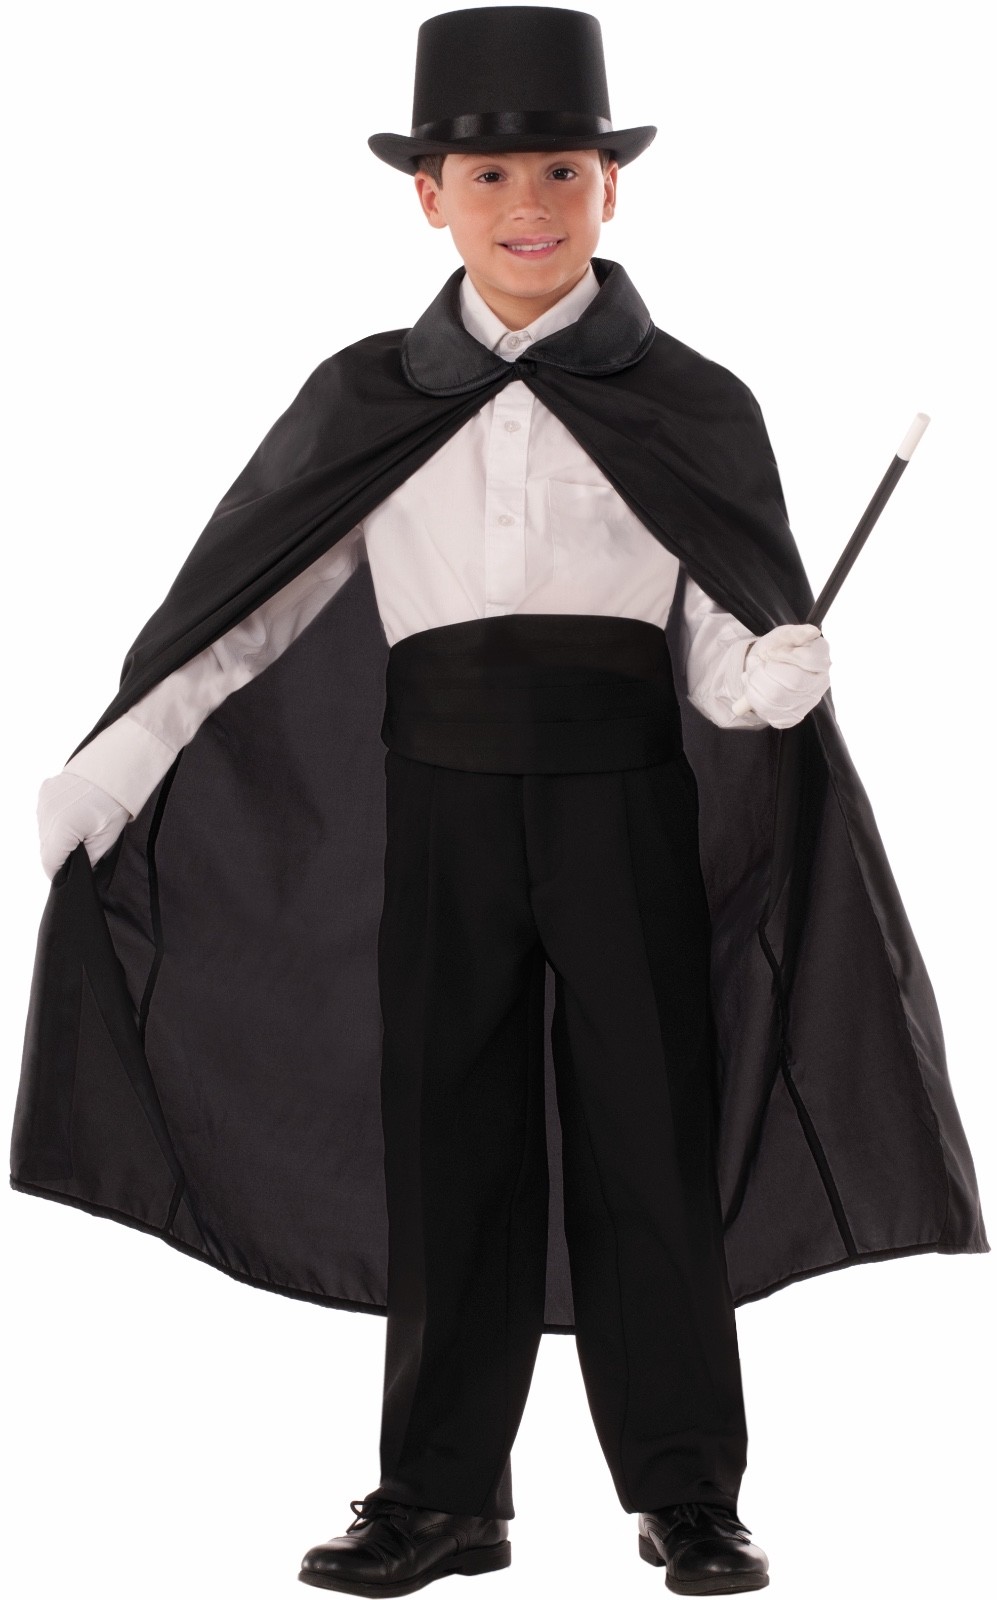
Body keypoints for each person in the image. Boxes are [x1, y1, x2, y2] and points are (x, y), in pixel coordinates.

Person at [21, 8, 988, 1599]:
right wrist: (117, 761)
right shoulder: (367, 397)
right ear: (428, 196)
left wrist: (768, 678)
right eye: (487, 175)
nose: (526, 203)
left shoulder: (692, 402)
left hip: (622, 802)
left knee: (646, 1134)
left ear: (611, 186)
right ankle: (440, 1497)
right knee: (447, 1133)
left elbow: (713, 643)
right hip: (444, 811)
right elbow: (248, 611)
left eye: (560, 170)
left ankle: (687, 1493)